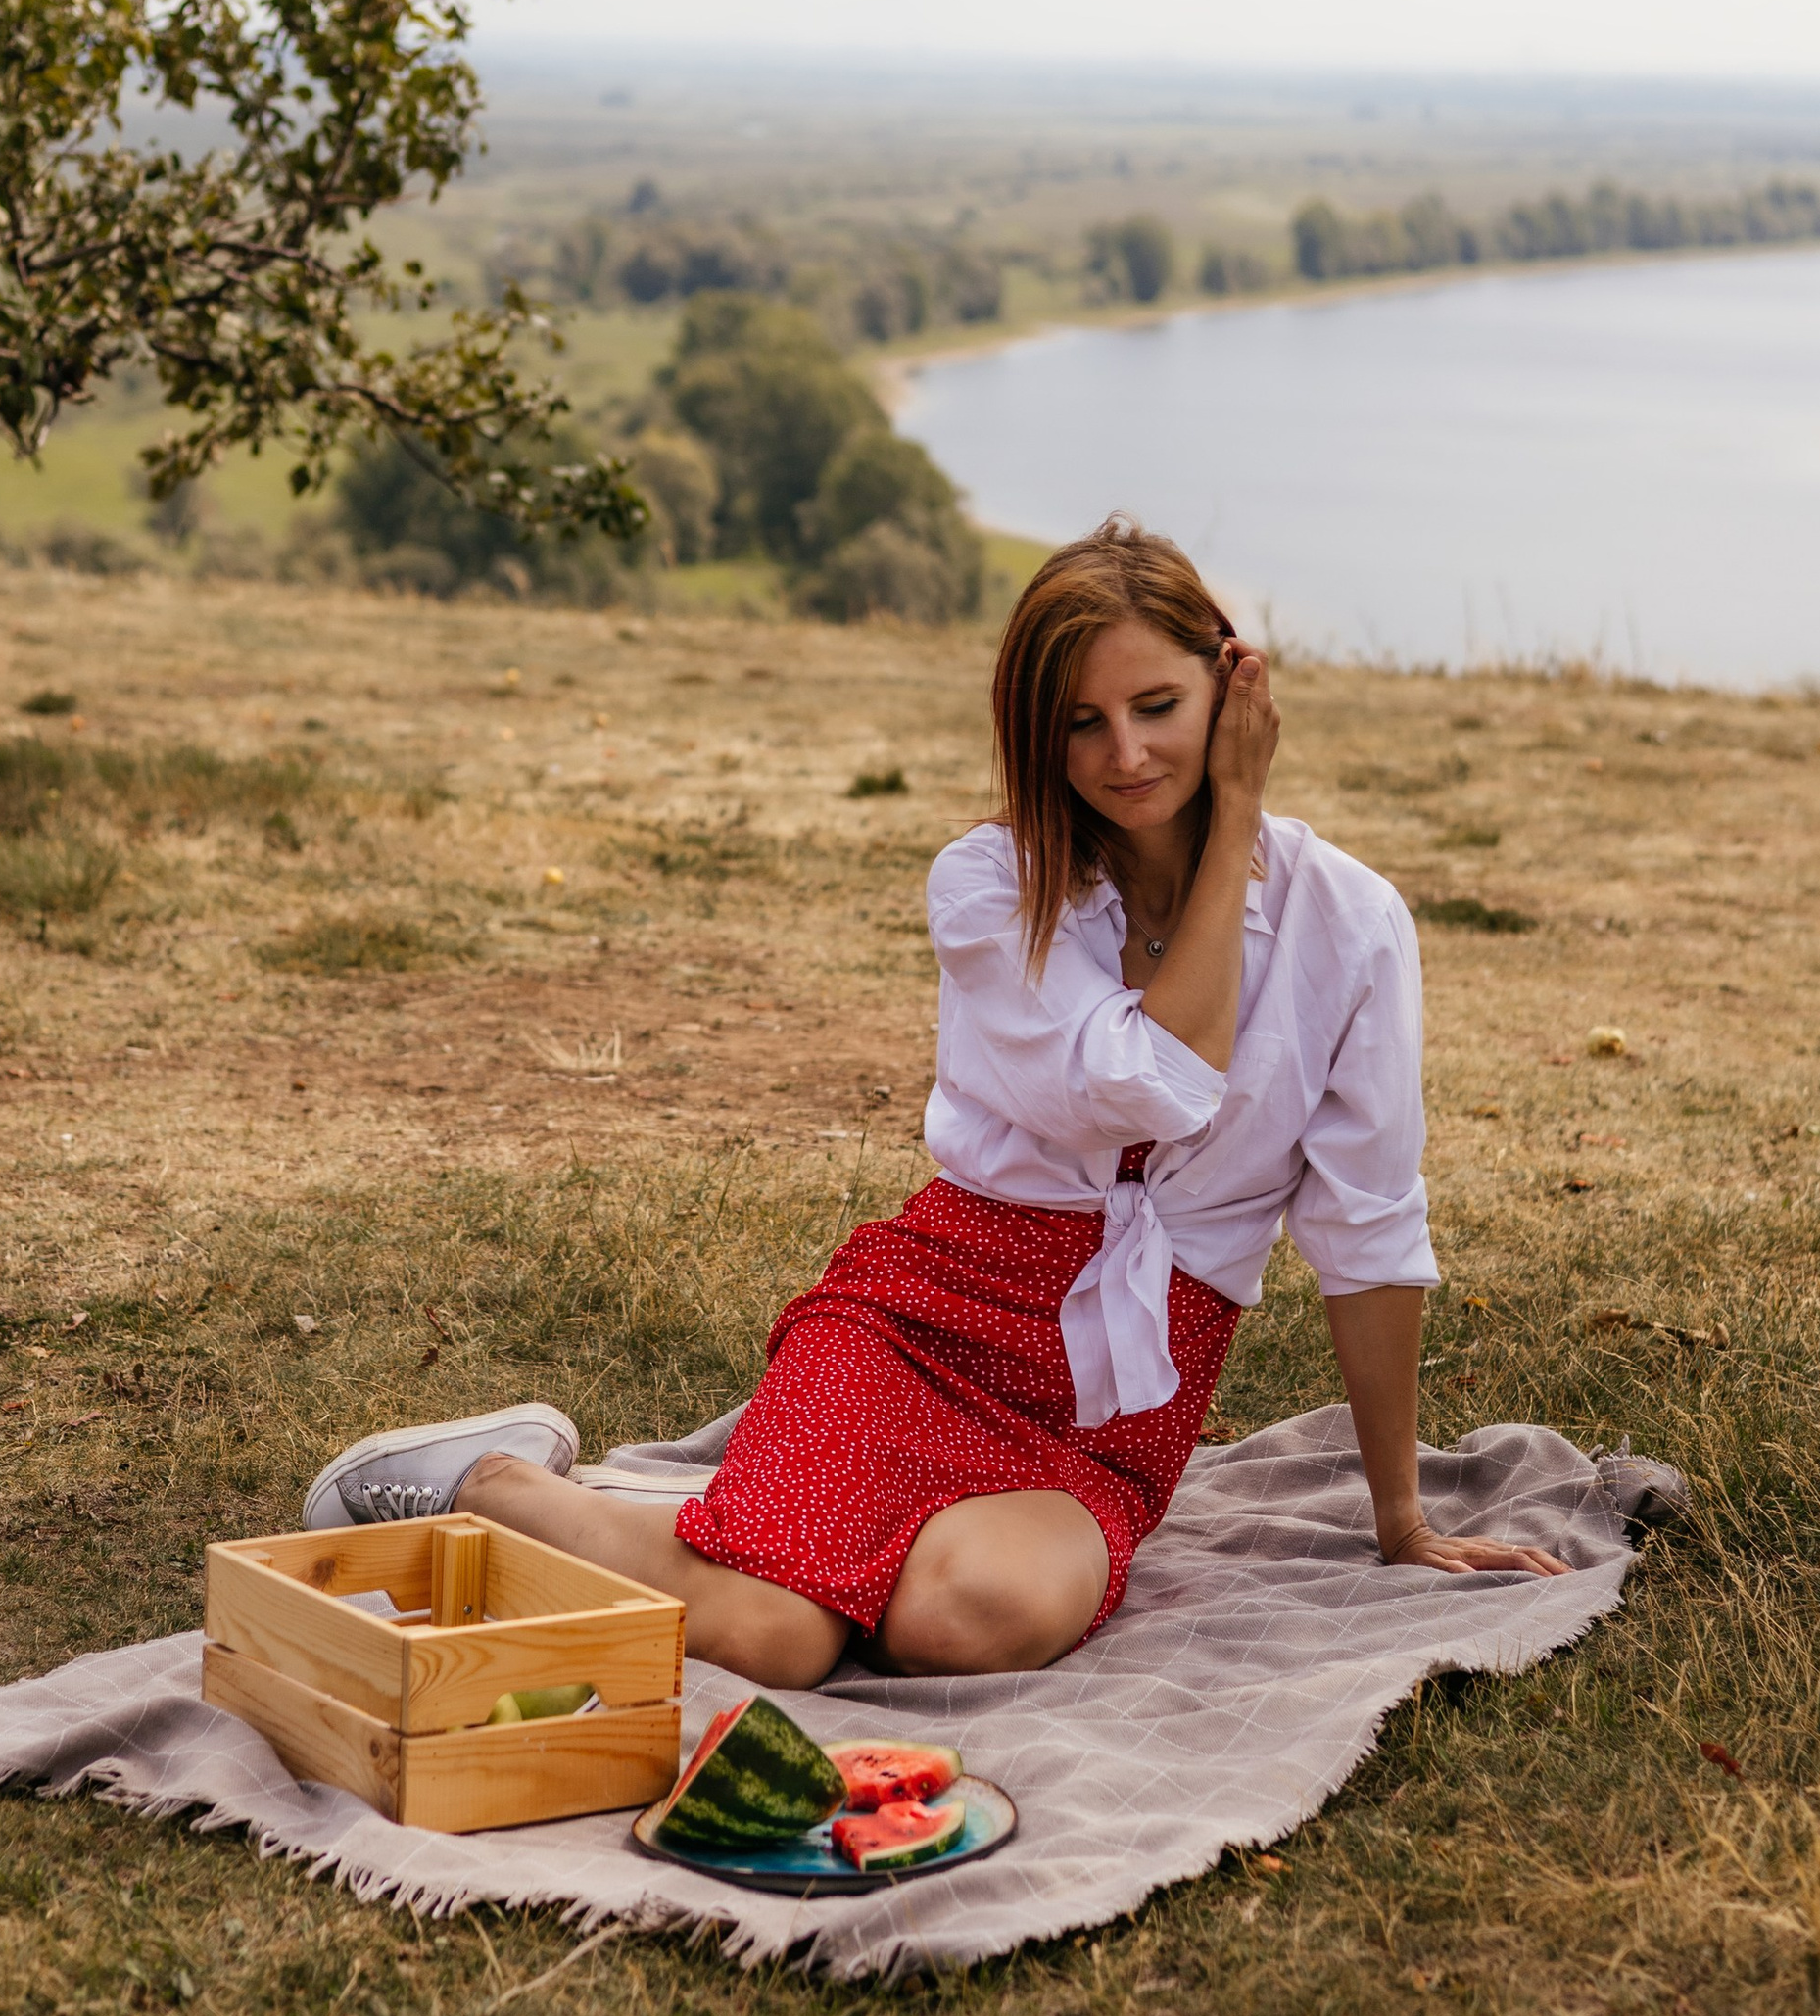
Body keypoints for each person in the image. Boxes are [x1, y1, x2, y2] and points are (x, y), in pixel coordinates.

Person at [301, 516, 1568, 1683]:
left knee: (961, 1623)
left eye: (1160, 705)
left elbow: (1368, 1225)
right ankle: (497, 1483)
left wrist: (1401, 1522)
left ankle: (744, 1536)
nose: (1126, 755)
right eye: (1082, 722)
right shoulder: (990, 886)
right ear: (1035, 733)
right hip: (935, 1318)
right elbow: (1146, 1083)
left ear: (1229, 689)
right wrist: (1233, 817)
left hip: (1120, 1404)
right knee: (775, 1635)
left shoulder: (1352, 924)